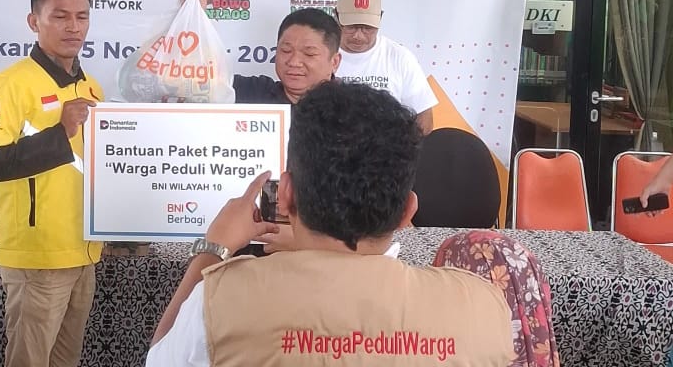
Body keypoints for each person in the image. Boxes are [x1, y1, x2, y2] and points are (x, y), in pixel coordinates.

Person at [146, 82, 517, 367]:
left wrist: (211, 251)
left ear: (285, 195)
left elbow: (160, 360)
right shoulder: (482, 306)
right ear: (408, 211)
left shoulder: (220, 300)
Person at [0, 0, 103, 367]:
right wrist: (59, 132)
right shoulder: (10, 84)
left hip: (84, 249)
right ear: (34, 22)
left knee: (65, 361)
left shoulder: (92, 88)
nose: (73, 26)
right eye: (60, 16)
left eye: (81, 16)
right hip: (37, 254)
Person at [180, 0, 341, 104]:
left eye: (309, 53)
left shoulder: (349, 111)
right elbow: (192, 83)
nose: (294, 62)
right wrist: (191, 19)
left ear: (334, 62)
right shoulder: (251, 93)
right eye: (286, 50)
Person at [333, 0, 437, 133]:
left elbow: (424, 118)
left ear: (380, 18)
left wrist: (402, 146)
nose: (358, 35)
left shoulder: (400, 57)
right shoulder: (321, 55)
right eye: (351, 27)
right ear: (336, 16)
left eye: (367, 28)